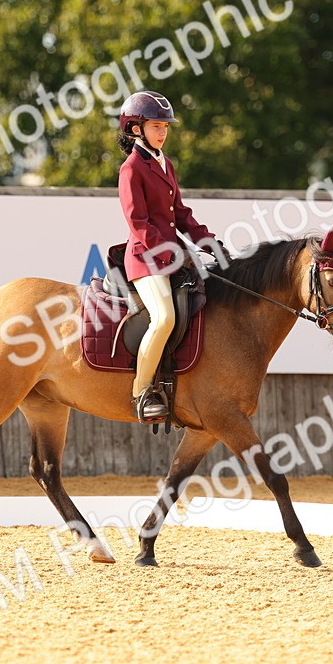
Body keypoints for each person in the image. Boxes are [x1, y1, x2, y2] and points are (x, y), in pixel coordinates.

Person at [117, 90, 218, 423]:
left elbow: (181, 213)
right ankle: (142, 392)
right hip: (146, 260)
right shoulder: (131, 168)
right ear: (136, 128)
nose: (162, 132)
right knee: (164, 318)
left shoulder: (164, 163)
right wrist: (173, 252)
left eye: (165, 127)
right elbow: (139, 223)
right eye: (156, 126)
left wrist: (208, 243)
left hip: (171, 256)